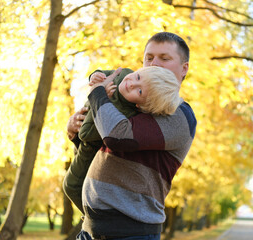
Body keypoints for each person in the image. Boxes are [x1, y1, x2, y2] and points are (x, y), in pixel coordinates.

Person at [67, 32, 197, 240]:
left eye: (164, 58)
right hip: (92, 230)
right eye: (149, 58)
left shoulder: (179, 115)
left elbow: (116, 135)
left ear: (184, 68)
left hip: (129, 233)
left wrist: (97, 94)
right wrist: (76, 132)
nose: (154, 64)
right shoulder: (132, 101)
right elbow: (102, 152)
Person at [63, 66, 181, 213]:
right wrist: (96, 77)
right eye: (138, 77)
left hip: (90, 148)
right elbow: (102, 73)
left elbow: (86, 134)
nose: (131, 83)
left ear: (140, 105)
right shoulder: (125, 74)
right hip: (81, 135)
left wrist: (100, 97)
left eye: (139, 91)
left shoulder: (127, 114)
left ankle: (91, 218)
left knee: (71, 185)